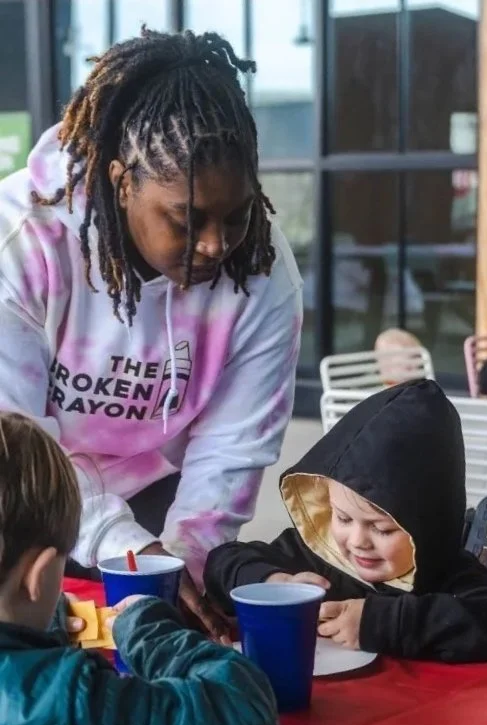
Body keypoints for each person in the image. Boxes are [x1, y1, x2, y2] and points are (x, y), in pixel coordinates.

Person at [0, 28, 302, 633]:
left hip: (156, 488)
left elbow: (233, 447)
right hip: (23, 489)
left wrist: (180, 565)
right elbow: (17, 446)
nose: (217, 244)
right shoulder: (23, 244)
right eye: (187, 221)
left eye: (237, 216)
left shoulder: (263, 275)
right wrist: (121, 547)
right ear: (121, 180)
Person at [0, 411, 279, 725]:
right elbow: (244, 710)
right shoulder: (70, 701)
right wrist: (149, 631)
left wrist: (39, 629)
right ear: (38, 576)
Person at [205, 380, 487, 662]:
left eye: (381, 528)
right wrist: (274, 583)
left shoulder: (450, 575)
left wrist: (380, 623)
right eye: (343, 518)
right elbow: (224, 560)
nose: (357, 540)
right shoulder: (316, 558)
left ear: (427, 528)